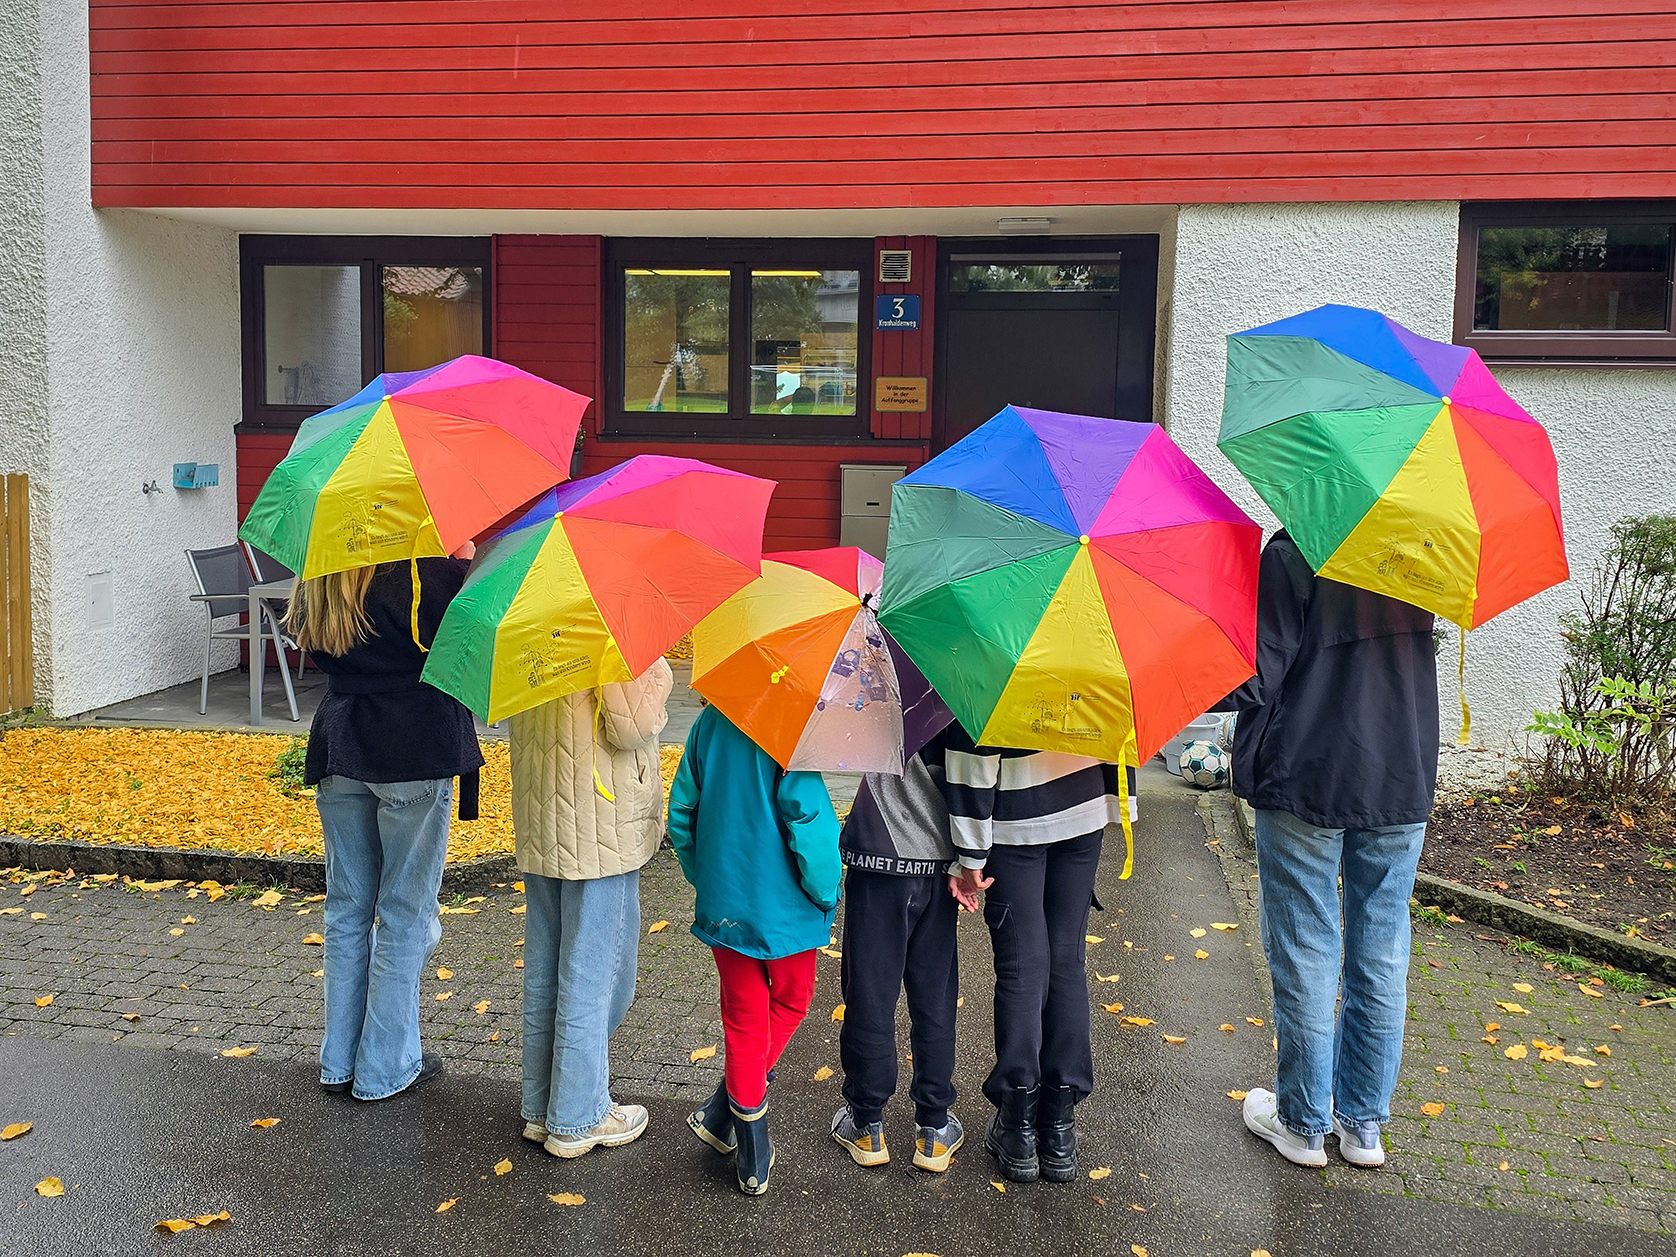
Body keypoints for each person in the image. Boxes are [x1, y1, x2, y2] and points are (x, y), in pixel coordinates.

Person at [1231, 529, 1438, 1170]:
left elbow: (1254, 675)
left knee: (1306, 948)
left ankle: (1301, 1123)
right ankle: (1363, 1127)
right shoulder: (1426, 545)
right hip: (1399, 773)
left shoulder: (1296, 552)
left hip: (1307, 775)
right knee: (1382, 950)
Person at [290, 552, 483, 1102]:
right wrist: (463, 567)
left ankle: (339, 1059)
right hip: (413, 746)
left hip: (342, 742)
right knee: (403, 911)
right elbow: (467, 649)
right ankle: (385, 1066)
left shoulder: (323, 575)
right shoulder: (424, 573)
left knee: (347, 909)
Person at [945, 726, 1132, 1184]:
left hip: (1017, 816)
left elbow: (975, 741)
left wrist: (969, 855)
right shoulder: (1098, 650)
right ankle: (1059, 1124)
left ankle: (1019, 1123)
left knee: (1022, 967)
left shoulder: (998, 649)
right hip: (1085, 799)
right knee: (1067, 962)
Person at [668, 703, 841, 1196]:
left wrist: (706, 878)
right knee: (791, 1001)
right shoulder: (790, 726)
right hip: (786, 910)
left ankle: (740, 1135)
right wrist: (826, 894)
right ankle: (744, 1133)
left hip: (725, 904)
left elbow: (682, 812)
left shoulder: (707, 723)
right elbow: (811, 824)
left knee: (744, 1019)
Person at [509, 657, 674, 1158]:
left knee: (547, 967)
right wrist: (659, 672)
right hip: (599, 826)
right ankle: (579, 1116)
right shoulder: (605, 623)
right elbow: (631, 726)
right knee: (596, 974)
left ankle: (543, 1106)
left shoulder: (528, 615)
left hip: (543, 816)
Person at [830, 727, 963, 1173]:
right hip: (940, 865)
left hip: (877, 860)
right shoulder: (966, 696)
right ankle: (934, 1128)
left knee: (870, 994)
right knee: (935, 999)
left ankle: (866, 1123)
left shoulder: (877, 683)